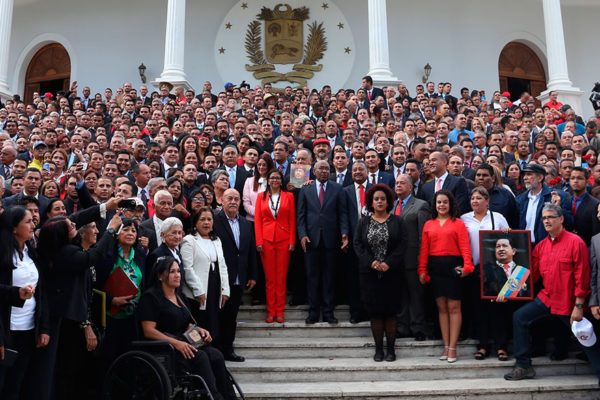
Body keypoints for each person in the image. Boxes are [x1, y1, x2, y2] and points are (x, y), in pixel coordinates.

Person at [505, 203, 600, 383]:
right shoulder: (541, 246)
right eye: (544, 218)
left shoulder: (575, 242)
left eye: (550, 217)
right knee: (519, 317)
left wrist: (579, 306)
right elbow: (529, 274)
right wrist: (504, 291)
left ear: (561, 219)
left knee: (588, 339)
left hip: (569, 303)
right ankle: (523, 365)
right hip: (547, 298)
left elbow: (583, 276)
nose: (546, 221)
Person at [138, 256, 237, 400]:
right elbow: (148, 330)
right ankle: (214, 396)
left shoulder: (180, 297)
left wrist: (199, 329)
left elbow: (186, 323)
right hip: (167, 349)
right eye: (172, 272)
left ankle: (228, 396)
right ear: (160, 276)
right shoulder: (151, 298)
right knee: (201, 357)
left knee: (216, 355)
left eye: (178, 271)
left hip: (186, 343)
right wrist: (176, 343)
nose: (177, 275)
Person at [418, 190, 474, 363]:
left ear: (451, 204)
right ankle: (445, 345)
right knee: (441, 309)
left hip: (453, 267)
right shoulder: (428, 224)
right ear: (434, 205)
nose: (441, 205)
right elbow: (424, 249)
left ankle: (453, 348)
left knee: (454, 308)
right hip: (435, 268)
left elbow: (465, 246)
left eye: (445, 202)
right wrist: (422, 269)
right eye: (438, 202)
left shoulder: (458, 223)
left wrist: (467, 266)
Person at [0, 207, 49, 400]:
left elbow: (42, 293)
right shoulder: (3, 255)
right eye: (27, 221)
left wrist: (43, 327)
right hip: (6, 331)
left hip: (28, 329)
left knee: (16, 384)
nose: (33, 224)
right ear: (13, 228)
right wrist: (16, 293)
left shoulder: (31, 252)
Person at [353, 184, 405, 361]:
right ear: (371, 202)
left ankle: (391, 350)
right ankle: (378, 350)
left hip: (392, 274)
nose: (380, 201)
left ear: (388, 201)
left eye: (383, 198)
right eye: (376, 199)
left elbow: (402, 245)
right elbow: (358, 245)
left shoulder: (398, 221)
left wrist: (388, 263)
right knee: (375, 313)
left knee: (390, 313)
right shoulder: (364, 222)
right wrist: (372, 262)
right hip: (370, 274)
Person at [460, 187, 512, 361]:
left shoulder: (498, 218)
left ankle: (501, 346)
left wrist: (508, 233)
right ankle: (482, 345)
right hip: (474, 270)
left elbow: (509, 240)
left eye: (479, 198)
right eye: (473, 198)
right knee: (478, 309)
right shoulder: (464, 218)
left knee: (497, 308)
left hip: (496, 271)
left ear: (487, 201)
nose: (475, 201)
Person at [297, 160, 349, 324]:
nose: (325, 171)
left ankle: (328, 312)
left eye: (327, 168)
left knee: (329, 277)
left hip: (331, 240)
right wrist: (302, 234)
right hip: (311, 240)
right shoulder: (305, 189)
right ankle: (313, 312)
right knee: (312, 277)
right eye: (321, 168)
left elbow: (342, 214)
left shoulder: (337, 188)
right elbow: (301, 215)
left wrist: (345, 233)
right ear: (314, 171)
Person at [213, 188, 257, 360]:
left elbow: (250, 251)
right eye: (229, 198)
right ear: (222, 201)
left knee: (232, 317)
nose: (233, 201)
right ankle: (216, 351)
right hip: (220, 278)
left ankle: (228, 350)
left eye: (236, 199)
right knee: (218, 316)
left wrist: (253, 275)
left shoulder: (246, 223)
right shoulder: (215, 221)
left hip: (239, 278)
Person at [181, 207, 230, 340]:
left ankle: (213, 353)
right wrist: (198, 290)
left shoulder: (217, 240)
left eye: (209, 219)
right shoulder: (189, 240)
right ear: (196, 222)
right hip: (198, 291)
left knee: (214, 321)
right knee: (200, 323)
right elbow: (187, 268)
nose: (206, 223)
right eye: (202, 219)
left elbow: (222, 265)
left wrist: (225, 290)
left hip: (215, 286)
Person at [254, 169, 295, 322]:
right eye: (272, 178)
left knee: (281, 277)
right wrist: (258, 241)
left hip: (284, 239)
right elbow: (258, 221)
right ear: (268, 180)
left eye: (278, 178)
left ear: (281, 180)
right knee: (270, 278)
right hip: (266, 239)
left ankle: (280, 310)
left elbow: (292, 219)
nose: (275, 180)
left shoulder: (289, 196)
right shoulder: (260, 197)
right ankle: (271, 311)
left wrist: (292, 241)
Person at [393, 173, 430, 341]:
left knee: (416, 296)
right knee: (400, 295)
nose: (398, 185)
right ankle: (402, 326)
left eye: (402, 183)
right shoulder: (392, 206)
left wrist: (422, 260)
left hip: (413, 258)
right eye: (396, 183)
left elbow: (423, 235)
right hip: (396, 260)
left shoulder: (421, 205)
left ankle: (418, 328)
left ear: (410, 187)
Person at [146, 217, 185, 293]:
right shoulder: (157, 255)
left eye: (179, 233)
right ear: (163, 235)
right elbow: (153, 283)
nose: (177, 236)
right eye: (173, 233)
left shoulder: (177, 253)